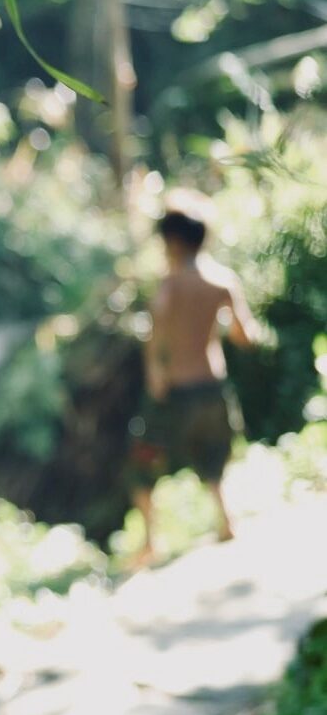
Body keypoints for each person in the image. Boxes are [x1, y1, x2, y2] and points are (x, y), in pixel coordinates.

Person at [128, 192, 258, 566]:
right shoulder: (222, 281)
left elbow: (155, 344)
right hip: (213, 387)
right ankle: (226, 519)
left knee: (142, 460)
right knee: (214, 455)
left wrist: (156, 380)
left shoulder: (169, 286)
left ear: (171, 240)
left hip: (175, 392)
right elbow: (244, 336)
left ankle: (151, 540)